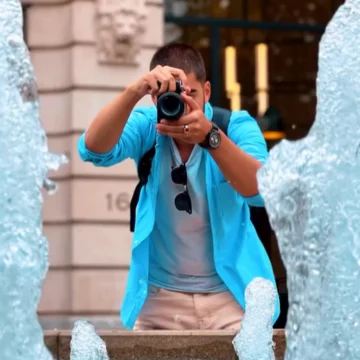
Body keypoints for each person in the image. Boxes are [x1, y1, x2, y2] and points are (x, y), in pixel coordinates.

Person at [78, 43, 280, 330]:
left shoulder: (234, 126)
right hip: (160, 298)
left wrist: (211, 138)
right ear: (155, 97)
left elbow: (263, 191)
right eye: (173, 96)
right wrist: (134, 91)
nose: (184, 106)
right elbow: (93, 149)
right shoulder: (150, 125)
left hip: (232, 295)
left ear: (207, 91)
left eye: (192, 94)